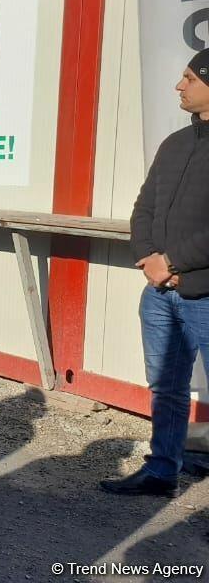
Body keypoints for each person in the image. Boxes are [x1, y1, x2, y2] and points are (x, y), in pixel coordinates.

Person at [101, 50, 209, 497]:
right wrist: (148, 257)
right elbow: (144, 207)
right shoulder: (174, 144)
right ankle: (162, 470)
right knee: (166, 386)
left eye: (189, 78)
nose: (179, 86)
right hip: (160, 293)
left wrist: (174, 261)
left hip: (203, 294)